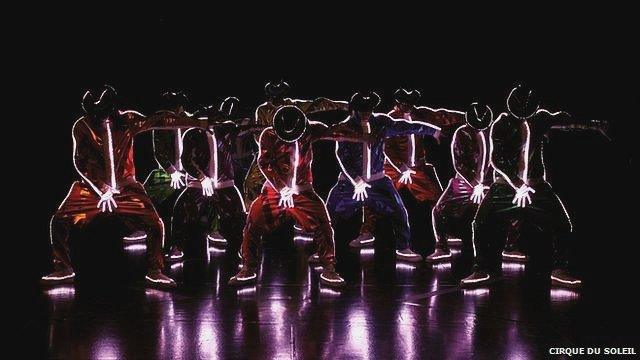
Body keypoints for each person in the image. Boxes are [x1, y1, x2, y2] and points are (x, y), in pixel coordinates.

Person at [42, 85, 213, 289]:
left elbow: (159, 120)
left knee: (154, 224)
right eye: (97, 114)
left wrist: (197, 123)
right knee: (59, 221)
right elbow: (81, 161)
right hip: (92, 188)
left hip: (127, 187)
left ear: (114, 108)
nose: (102, 118)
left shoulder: (128, 120)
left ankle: (154, 270)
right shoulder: (82, 126)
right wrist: (101, 188)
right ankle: (63, 268)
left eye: (106, 112)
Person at [461, 85, 608, 289]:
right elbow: (497, 159)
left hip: (536, 186)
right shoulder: (501, 123)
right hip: (505, 187)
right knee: (480, 223)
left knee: (563, 224)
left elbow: (566, 122)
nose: (522, 117)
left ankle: (559, 270)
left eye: (526, 113)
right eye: (519, 113)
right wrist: (518, 184)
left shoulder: (540, 118)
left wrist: (594, 125)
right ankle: (481, 269)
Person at [230, 106, 364, 288]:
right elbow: (264, 162)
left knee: (323, 224)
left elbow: (334, 131)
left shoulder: (310, 129)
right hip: (274, 191)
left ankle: (329, 268)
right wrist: (281, 187)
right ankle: (248, 267)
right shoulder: (269, 135)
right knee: (253, 222)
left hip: (302, 191)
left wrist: (362, 137)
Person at [326, 91, 441, 263]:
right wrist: (356, 180)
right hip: (351, 183)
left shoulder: (380, 122)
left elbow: (404, 126)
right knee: (329, 213)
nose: (366, 113)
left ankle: (403, 248)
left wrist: (433, 131)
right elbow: (342, 157)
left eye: (369, 110)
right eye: (362, 110)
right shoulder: (345, 128)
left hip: (378, 181)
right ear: (354, 110)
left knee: (400, 211)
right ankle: (323, 252)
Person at [353, 88, 465, 247]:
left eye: (411, 103)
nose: (408, 107)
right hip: (392, 168)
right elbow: (385, 148)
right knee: (376, 198)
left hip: (416, 168)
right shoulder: (389, 119)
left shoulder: (421, 114)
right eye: (404, 103)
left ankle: (445, 233)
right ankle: (366, 233)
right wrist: (401, 166)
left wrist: (467, 117)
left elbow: (441, 115)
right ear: (397, 103)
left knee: (438, 199)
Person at [171, 97, 255, 258]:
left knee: (239, 217)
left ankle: (242, 250)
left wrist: (249, 124)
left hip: (225, 184)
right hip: (198, 185)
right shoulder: (193, 134)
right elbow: (186, 159)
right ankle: (176, 246)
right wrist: (201, 177)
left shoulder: (226, 129)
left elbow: (247, 128)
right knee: (181, 212)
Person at [243, 80, 349, 207]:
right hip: (271, 151)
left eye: (279, 93)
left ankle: (300, 209)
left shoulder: (292, 105)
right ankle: (250, 213)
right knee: (251, 182)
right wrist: (269, 143)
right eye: (274, 93)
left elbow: (317, 104)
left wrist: (344, 106)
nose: (277, 96)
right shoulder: (263, 110)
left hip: (293, 150)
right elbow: (258, 135)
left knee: (299, 181)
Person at [427, 103, 493, 263]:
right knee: (440, 210)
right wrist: (474, 183)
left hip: (487, 183)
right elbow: (459, 163)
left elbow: (497, 159)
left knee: (510, 209)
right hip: (463, 182)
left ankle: (510, 247)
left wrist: (484, 183)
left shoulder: (492, 132)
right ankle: (442, 246)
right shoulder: (462, 133)